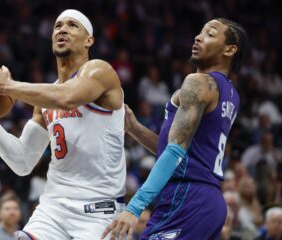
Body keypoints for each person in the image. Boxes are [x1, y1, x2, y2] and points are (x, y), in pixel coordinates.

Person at [0, 9, 126, 239]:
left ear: (89, 40)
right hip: (53, 209)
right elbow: (23, 162)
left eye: (72, 25)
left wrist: (7, 86)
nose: (62, 29)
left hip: (98, 211)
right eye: (58, 26)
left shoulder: (100, 70)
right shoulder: (45, 100)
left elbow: (66, 98)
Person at [102, 18, 249, 239]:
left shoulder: (199, 82)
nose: (198, 37)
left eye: (210, 34)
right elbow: (181, 150)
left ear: (229, 49)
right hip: (209, 200)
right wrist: (134, 128)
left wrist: (134, 207)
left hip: (187, 197)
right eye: (200, 32)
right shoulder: (230, 93)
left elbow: (175, 151)